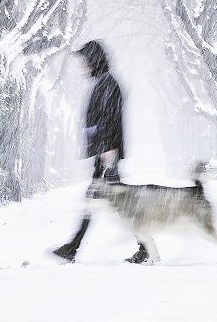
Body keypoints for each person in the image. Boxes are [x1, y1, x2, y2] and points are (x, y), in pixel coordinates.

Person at [50, 40, 149, 264]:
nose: (83, 66)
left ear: (94, 60)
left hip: (107, 155)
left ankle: (144, 247)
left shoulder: (107, 84)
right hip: (104, 153)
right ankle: (73, 247)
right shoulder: (103, 82)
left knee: (117, 204)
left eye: (85, 61)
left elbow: (109, 119)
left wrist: (107, 149)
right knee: (100, 201)